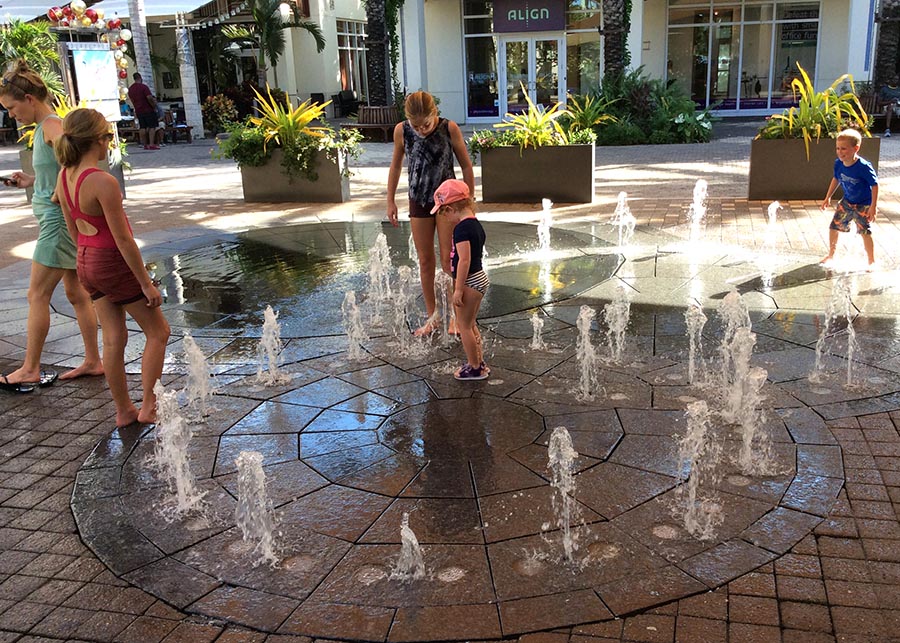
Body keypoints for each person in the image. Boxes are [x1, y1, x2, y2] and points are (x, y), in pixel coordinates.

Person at [55, 108, 170, 426]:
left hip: (86, 260)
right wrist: (146, 283)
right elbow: (124, 240)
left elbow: (73, 229)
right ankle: (149, 406)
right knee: (159, 332)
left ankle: (123, 412)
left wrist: (86, 264)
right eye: (107, 136)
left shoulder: (64, 177)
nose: (109, 143)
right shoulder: (102, 182)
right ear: (95, 140)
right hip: (111, 262)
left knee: (113, 340)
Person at [0, 60, 103, 394]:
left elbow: (72, 162)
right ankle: (93, 360)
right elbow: (57, 170)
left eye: (12, 107)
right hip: (57, 221)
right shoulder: (43, 128)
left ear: (29, 98)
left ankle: (30, 368)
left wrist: (60, 192)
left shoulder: (51, 125)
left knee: (36, 294)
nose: (11, 114)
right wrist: (32, 180)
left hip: (57, 225)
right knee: (75, 293)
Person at [387, 91, 475, 336]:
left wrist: (468, 200)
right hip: (419, 199)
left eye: (425, 124)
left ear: (435, 113)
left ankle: (457, 318)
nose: (422, 130)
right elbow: (395, 166)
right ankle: (432, 317)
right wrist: (390, 200)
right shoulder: (401, 131)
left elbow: (466, 165)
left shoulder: (450, 129)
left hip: (448, 202)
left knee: (449, 260)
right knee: (425, 260)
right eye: (416, 126)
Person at [432, 179, 489, 381]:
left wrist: (457, 289)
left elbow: (464, 260)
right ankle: (479, 362)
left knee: (463, 326)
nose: (444, 218)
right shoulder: (475, 224)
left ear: (450, 208)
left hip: (470, 281)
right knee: (471, 323)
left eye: (443, 212)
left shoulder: (462, 229)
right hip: (479, 278)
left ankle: (474, 367)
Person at [819, 128, 878, 269]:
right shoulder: (838, 163)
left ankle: (871, 261)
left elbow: (875, 185)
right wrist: (828, 197)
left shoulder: (863, 167)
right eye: (838, 148)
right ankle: (831, 254)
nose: (840, 152)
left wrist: (873, 207)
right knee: (834, 227)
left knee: (865, 232)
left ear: (855, 148)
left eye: (844, 149)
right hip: (847, 202)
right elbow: (836, 178)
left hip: (863, 205)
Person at [127, 73, 159, 150]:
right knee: (152, 126)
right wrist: (154, 106)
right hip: (148, 109)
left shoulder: (131, 89)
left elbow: (132, 100)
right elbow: (149, 98)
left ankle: (144, 144)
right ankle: (151, 144)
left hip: (139, 110)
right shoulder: (144, 87)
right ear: (140, 78)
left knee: (142, 127)